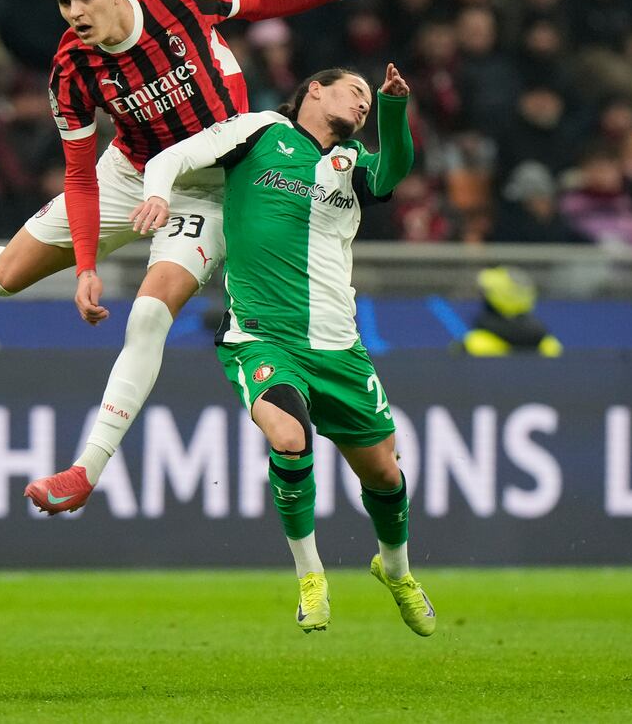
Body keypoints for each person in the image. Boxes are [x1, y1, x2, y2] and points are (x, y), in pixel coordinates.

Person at [0, 0, 399, 514]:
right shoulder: (71, 66)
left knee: (148, 315)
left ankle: (84, 471)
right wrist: (85, 267)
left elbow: (255, 0)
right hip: (128, 174)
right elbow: (80, 177)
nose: (76, 14)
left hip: (211, 187)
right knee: (10, 275)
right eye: (64, 3)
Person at [131, 63, 433, 637]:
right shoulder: (259, 132)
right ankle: (311, 575)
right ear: (314, 89)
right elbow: (171, 157)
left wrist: (394, 108)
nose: (363, 102)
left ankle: (396, 571)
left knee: (386, 476)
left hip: (340, 347)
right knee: (289, 437)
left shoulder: (352, 166)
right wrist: (157, 196)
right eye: (356, 91)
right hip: (264, 334)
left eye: (369, 100)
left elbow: (394, 167)